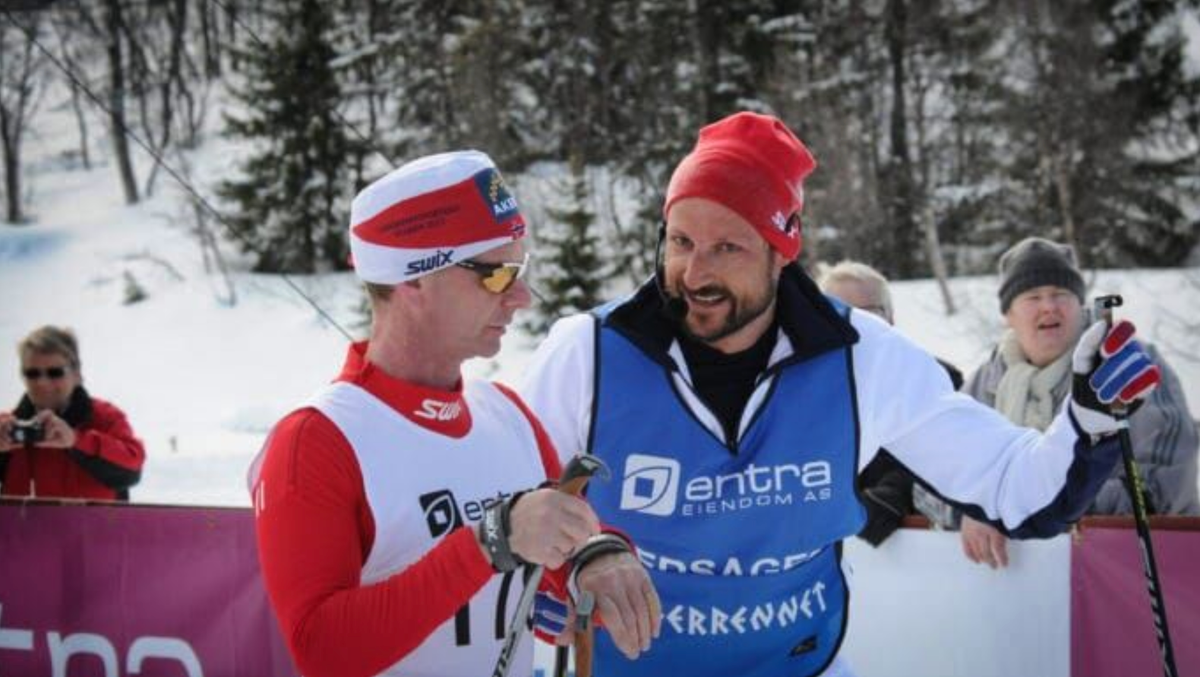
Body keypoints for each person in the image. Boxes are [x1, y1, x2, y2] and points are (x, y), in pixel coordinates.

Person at [519, 112, 1162, 677]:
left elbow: (1016, 488)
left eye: (727, 248)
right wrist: (572, 558)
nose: (696, 273)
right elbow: (508, 501)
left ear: (781, 253)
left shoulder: (862, 357)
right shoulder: (590, 353)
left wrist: (1090, 421)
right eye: (682, 242)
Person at [248, 151, 658, 677]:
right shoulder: (317, 440)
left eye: (522, 271)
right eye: (496, 275)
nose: (523, 297)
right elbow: (322, 651)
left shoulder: (506, 414)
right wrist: (491, 540)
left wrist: (597, 557)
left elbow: (553, 552)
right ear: (412, 281)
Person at [914, 237, 1199, 569]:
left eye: (1060, 294)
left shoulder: (1124, 366)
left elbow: (1165, 488)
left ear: (1080, 304)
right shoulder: (984, 384)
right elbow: (928, 480)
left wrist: (1033, 507)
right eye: (1033, 297)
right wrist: (969, 509)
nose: (1048, 306)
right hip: (1016, 592)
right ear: (1008, 314)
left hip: (1127, 578)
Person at [818, 260, 963, 546]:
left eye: (866, 313)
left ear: (891, 318)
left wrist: (895, 493)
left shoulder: (936, 379)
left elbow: (953, 456)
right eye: (839, 312)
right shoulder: (796, 392)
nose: (853, 323)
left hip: (921, 559)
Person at [0, 325, 144, 501]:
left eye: (55, 373)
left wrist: (77, 441)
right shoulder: (7, 428)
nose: (42, 383)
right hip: (21, 529)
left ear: (76, 374)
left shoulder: (105, 418)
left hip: (94, 528)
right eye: (32, 374)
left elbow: (131, 471)